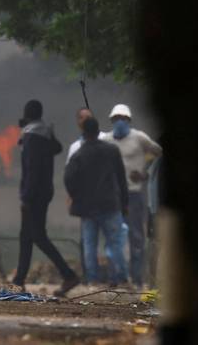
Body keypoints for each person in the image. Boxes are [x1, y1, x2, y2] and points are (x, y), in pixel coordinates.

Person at [12, 99, 80, 296]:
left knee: (38, 236)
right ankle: (18, 281)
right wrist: (50, 132)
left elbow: (32, 170)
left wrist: (25, 197)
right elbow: (57, 148)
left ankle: (68, 275)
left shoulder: (32, 136)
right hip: (44, 192)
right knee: (26, 236)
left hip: (33, 194)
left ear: (27, 115)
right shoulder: (43, 133)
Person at [102, 104, 162, 288]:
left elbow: (157, 151)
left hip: (134, 194)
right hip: (114, 195)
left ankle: (137, 279)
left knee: (136, 237)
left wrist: (145, 171)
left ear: (128, 120)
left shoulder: (139, 138)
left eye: (123, 118)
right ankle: (116, 277)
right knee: (114, 236)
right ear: (112, 121)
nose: (120, 121)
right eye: (116, 118)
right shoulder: (106, 139)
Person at [65, 117, 129, 285]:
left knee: (89, 245)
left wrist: (76, 196)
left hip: (87, 207)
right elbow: (121, 178)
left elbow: (68, 178)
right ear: (98, 130)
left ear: (84, 133)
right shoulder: (112, 150)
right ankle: (119, 278)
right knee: (115, 243)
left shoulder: (79, 154)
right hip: (110, 204)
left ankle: (92, 279)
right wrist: (125, 203)